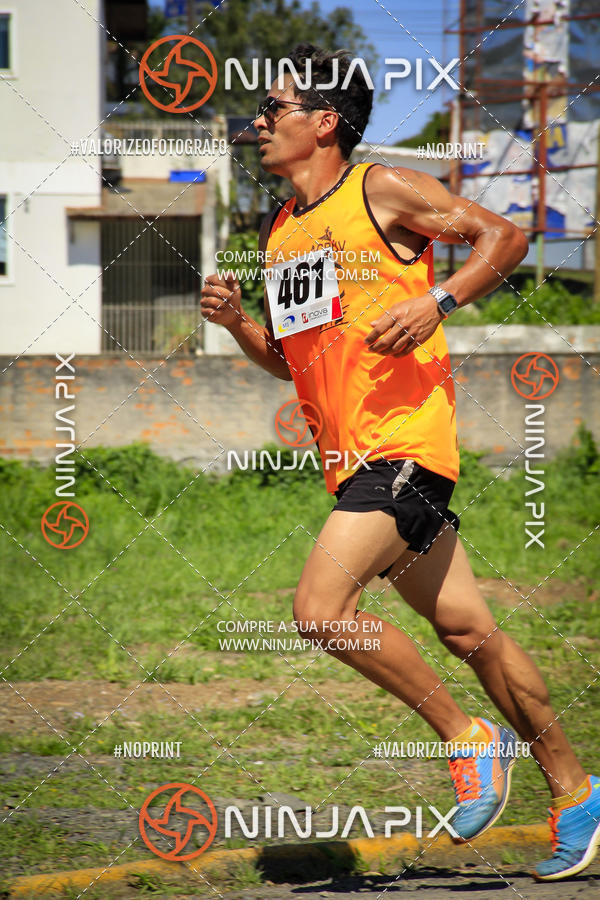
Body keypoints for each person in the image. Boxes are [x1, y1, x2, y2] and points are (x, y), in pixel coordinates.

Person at [201, 43, 600, 881]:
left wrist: (438, 300)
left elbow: (505, 234)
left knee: (319, 609)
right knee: (469, 632)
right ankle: (577, 792)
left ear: (325, 122)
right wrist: (240, 325)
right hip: (356, 467)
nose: (261, 121)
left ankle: (467, 740)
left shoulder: (378, 188)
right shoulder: (280, 232)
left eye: (277, 107)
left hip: (406, 450)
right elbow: (296, 359)